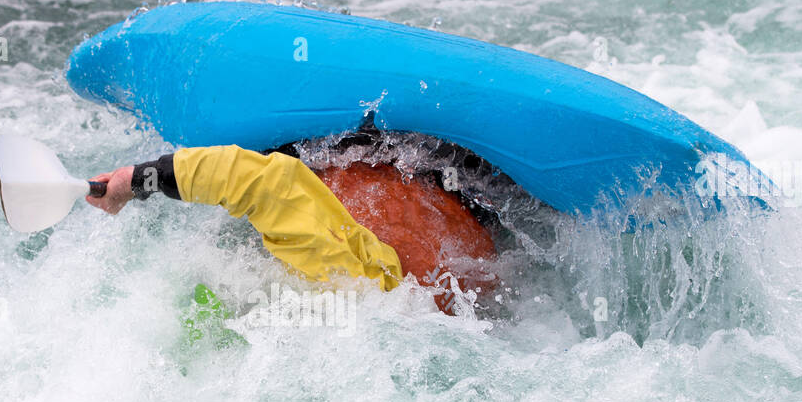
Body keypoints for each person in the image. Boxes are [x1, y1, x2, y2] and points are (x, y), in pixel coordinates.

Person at [84, 143, 497, 314]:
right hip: (435, 175)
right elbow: (258, 182)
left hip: (451, 197)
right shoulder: (357, 281)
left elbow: (256, 181)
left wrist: (132, 181)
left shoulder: (350, 283)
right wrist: (131, 182)